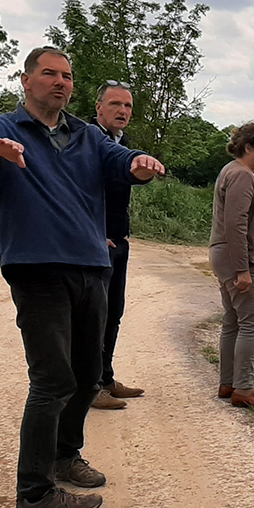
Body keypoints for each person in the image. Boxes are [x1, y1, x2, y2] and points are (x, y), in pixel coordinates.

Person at [0, 46, 165, 508]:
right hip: (36, 267)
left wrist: (140, 164)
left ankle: (66, 455)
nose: (60, 82)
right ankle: (34, 495)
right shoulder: (1, 126)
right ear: (26, 81)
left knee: (88, 375)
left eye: (66, 75)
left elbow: (120, 160)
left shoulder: (88, 136)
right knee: (52, 380)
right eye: (49, 74)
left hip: (92, 266)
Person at [209, 122, 254, 408]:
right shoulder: (241, 175)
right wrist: (242, 270)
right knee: (253, 321)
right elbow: (235, 225)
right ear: (247, 147)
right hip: (236, 257)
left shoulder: (234, 171)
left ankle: (229, 383)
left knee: (233, 320)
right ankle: (244, 390)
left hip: (224, 254)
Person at [89, 80, 145, 410]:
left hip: (118, 240)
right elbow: (78, 192)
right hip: (96, 242)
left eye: (127, 106)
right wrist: (94, 232)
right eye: (115, 105)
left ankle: (105, 378)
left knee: (114, 313)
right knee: (93, 317)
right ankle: (90, 386)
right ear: (98, 108)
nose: (122, 111)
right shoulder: (85, 141)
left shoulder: (121, 144)